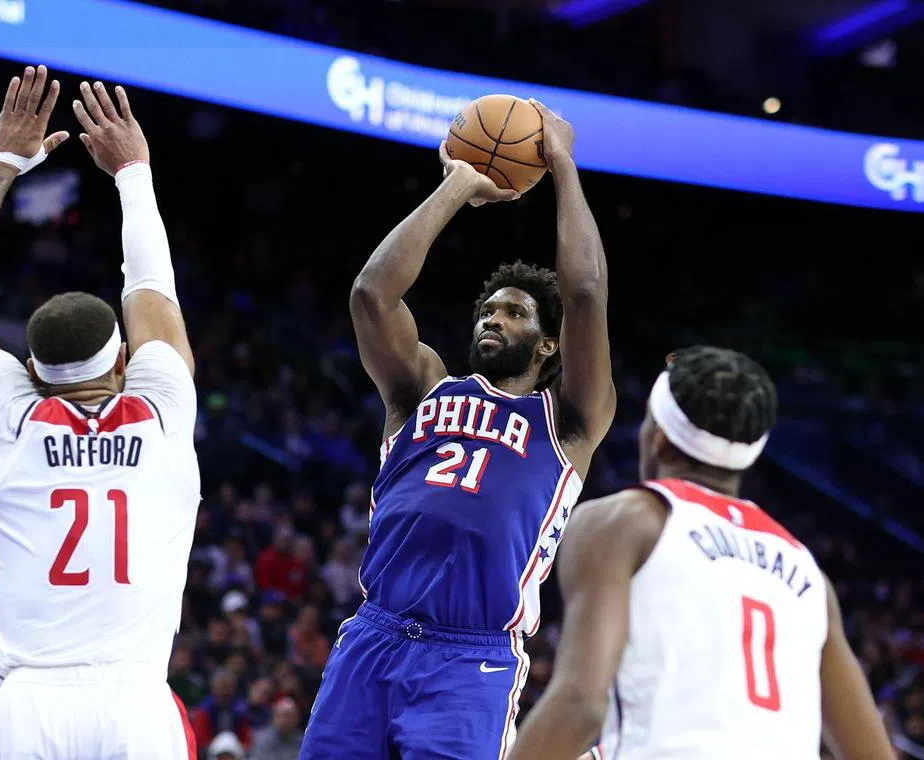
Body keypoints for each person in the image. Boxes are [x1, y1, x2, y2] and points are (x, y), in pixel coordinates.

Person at [302, 103, 615, 759]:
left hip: (470, 660)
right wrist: (456, 186)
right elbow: (371, 295)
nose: (492, 319)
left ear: (548, 344)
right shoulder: (422, 387)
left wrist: (562, 165)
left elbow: (585, 293)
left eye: (514, 312)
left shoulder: (569, 419)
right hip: (373, 634)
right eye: (487, 309)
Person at [0, 65, 200, 759]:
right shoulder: (161, 407)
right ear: (123, 361)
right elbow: (151, 288)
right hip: (134, 701)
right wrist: (133, 173)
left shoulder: (9, 412)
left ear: (32, 371)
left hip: (28, 706)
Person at [509, 346, 897, 760]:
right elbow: (872, 754)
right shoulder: (808, 572)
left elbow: (580, 705)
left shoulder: (624, 521)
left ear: (658, 440)